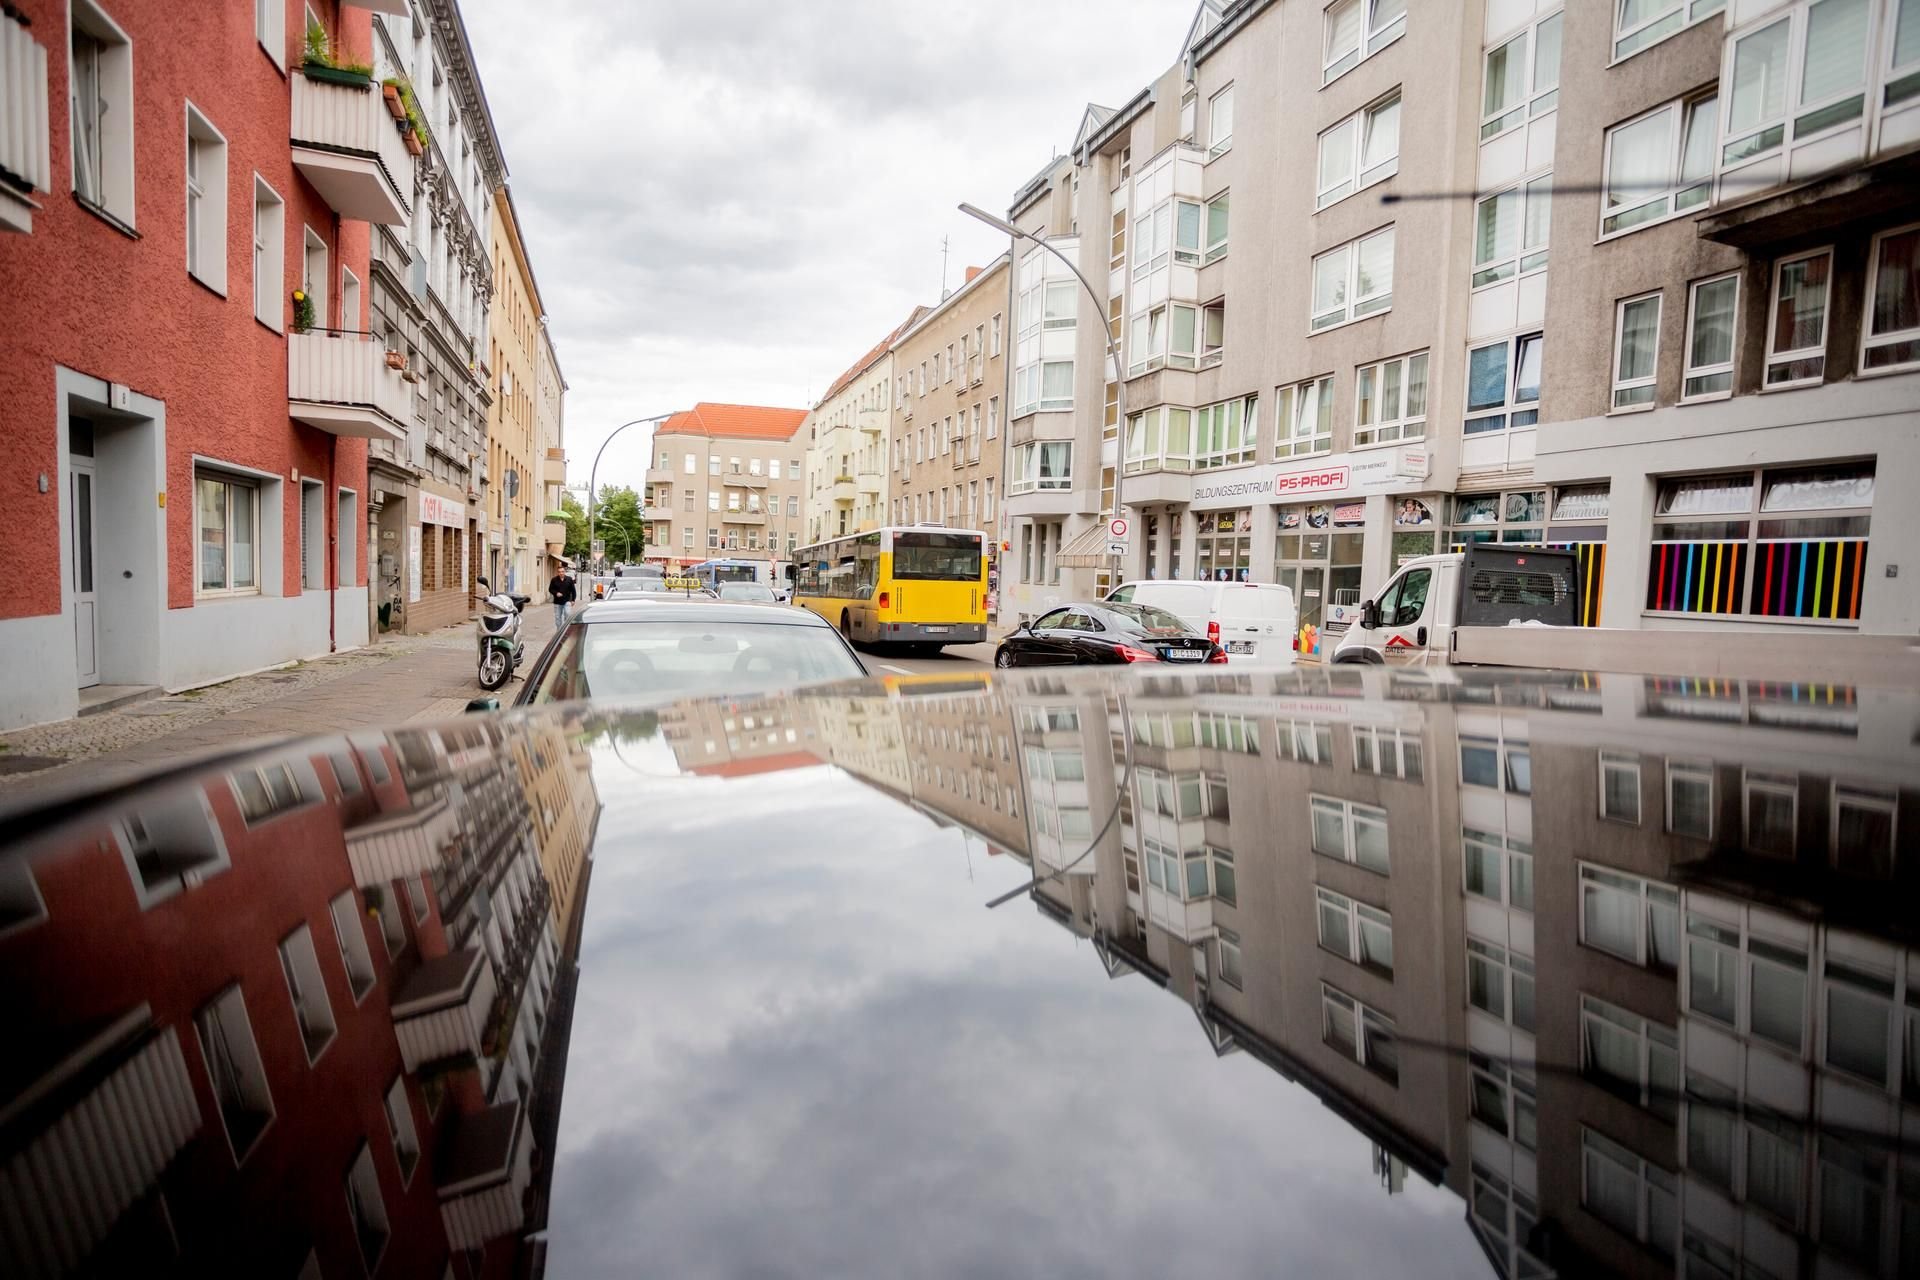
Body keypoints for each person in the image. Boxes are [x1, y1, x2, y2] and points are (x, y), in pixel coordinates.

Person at [547, 563, 577, 629]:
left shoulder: (569, 579)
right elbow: (550, 589)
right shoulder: (554, 580)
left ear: (565, 572)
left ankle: (566, 629)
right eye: (559, 572)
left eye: (562, 571)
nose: (561, 573)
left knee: (568, 614)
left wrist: (573, 600)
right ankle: (559, 630)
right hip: (557, 602)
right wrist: (556, 593)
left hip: (567, 600)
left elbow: (573, 590)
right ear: (558, 573)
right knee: (558, 617)